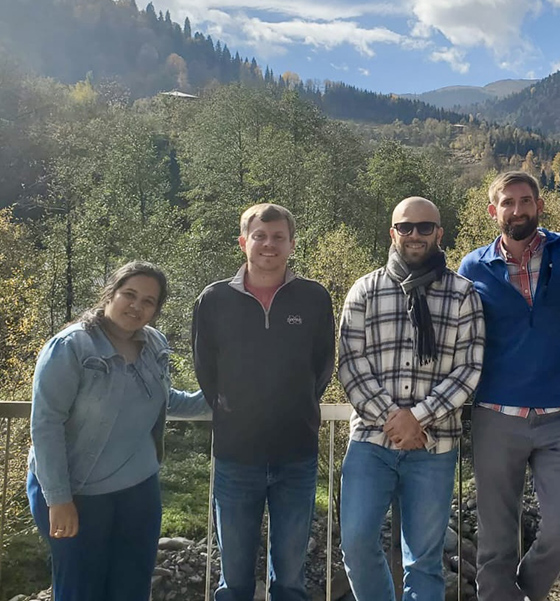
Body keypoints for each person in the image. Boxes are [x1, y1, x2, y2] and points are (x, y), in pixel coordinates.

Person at [457, 171, 560, 601]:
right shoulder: (472, 266)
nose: (518, 210)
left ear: (539, 205)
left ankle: (522, 593)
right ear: (494, 211)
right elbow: (457, 338)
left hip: (559, 416)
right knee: (495, 542)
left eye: (526, 201)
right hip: (495, 417)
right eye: (508, 203)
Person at [28, 261, 207, 601]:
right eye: (130, 294)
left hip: (138, 491)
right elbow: (45, 424)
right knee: (80, 589)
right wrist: (59, 499)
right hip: (77, 492)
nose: (137, 306)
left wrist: (226, 398)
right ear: (110, 293)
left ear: (156, 310)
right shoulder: (70, 347)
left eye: (149, 301)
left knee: (132, 588)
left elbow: (165, 400)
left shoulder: (154, 343)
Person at [338, 196, 485, 601]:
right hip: (370, 443)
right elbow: (350, 364)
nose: (415, 234)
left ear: (439, 232)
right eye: (406, 227)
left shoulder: (463, 294)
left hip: (435, 447)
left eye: (425, 227)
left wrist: (417, 417)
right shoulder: (365, 291)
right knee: (355, 544)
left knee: (424, 560)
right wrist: (394, 417)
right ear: (393, 233)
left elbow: (469, 370)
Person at [192, 203, 336, 601]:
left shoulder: (313, 297)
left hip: (297, 455)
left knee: (290, 579)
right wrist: (237, 412)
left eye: (278, 237)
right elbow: (205, 369)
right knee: (234, 579)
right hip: (236, 456)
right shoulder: (214, 299)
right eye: (260, 236)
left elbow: (323, 366)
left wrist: (295, 406)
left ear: (291, 244)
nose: (268, 244)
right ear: (244, 242)